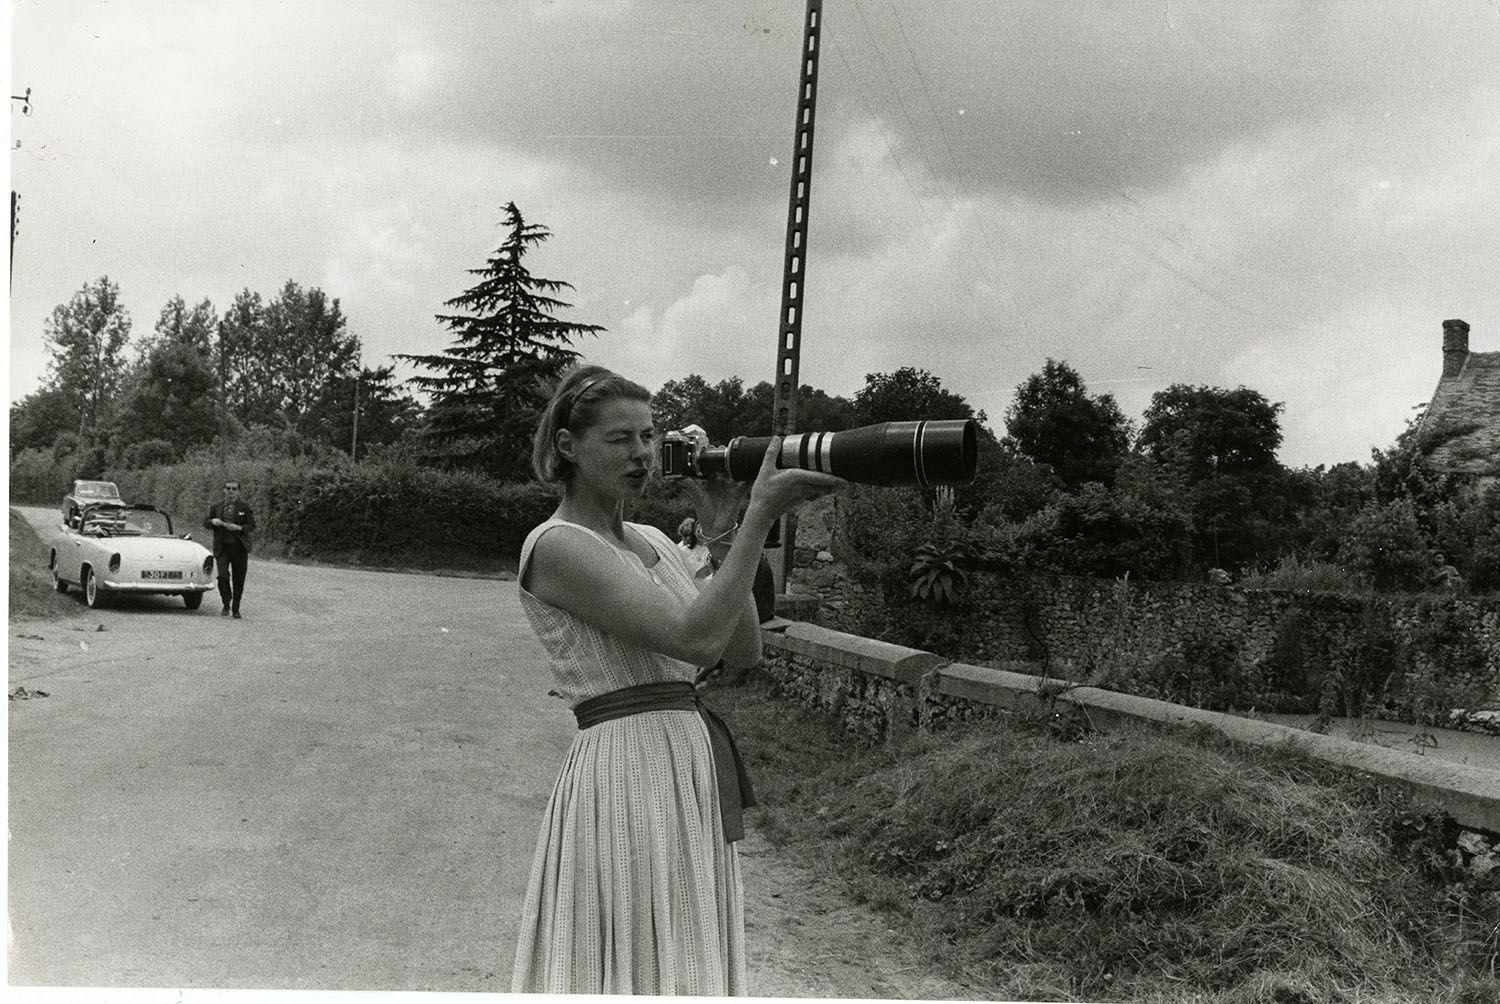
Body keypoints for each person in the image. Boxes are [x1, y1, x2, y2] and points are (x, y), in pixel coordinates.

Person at [510, 364, 842, 995]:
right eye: (619, 439)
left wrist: (722, 533)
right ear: (567, 446)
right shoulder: (555, 545)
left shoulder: (656, 540)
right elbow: (693, 639)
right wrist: (759, 518)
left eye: (647, 435)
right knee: (628, 948)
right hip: (624, 767)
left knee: (682, 947)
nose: (641, 453)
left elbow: (742, 649)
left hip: (686, 759)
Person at [204, 479, 256, 619]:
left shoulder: (244, 507)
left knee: (239, 579)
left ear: (238, 491)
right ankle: (226, 603)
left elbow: (252, 525)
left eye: (234, 489)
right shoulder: (216, 506)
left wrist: (239, 528)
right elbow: (206, 522)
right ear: (224, 490)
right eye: (228, 488)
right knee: (222, 576)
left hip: (239, 547)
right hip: (222, 547)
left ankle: (236, 608)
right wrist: (212, 521)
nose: (231, 491)